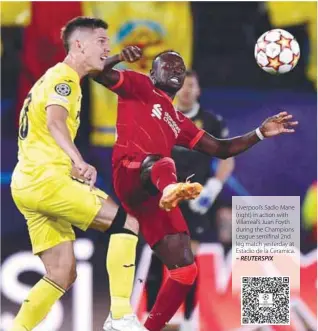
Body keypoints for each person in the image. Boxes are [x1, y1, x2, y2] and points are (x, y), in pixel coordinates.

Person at [94, 47, 298, 331]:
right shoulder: (139, 86)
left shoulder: (179, 122)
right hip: (130, 172)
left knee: (185, 271)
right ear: (153, 74)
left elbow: (221, 149)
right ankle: (170, 188)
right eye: (169, 65)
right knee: (161, 161)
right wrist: (117, 57)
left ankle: (147, 327)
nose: (176, 69)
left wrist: (260, 132)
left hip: (155, 196)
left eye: (180, 67)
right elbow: (99, 73)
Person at [10, 17, 148, 331]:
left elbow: (47, 129)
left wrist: (115, 59)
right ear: (79, 44)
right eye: (101, 41)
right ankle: (121, 315)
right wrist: (78, 159)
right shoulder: (64, 80)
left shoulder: (57, 76)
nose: (107, 47)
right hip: (48, 180)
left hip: (27, 183)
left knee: (61, 273)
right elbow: (56, 121)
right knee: (128, 221)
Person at [145, 70, 236, 331]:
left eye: (191, 85)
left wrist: (213, 187)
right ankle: (152, 319)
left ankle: (188, 321)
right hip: (165, 195)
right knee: (157, 254)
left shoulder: (212, 121)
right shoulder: (160, 118)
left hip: (197, 198)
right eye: (180, 85)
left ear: (198, 90)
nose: (185, 90)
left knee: (189, 259)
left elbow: (227, 159)